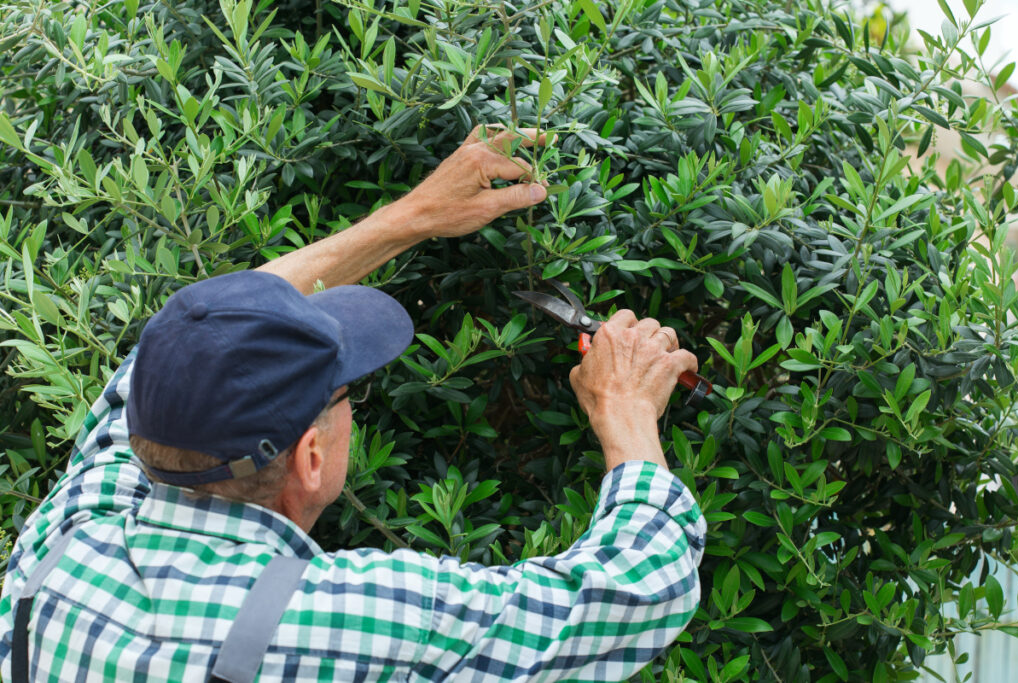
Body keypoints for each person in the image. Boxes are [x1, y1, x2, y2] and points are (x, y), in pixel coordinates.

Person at [0, 127, 706, 682]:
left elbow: (181, 341)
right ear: (311, 455)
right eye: (348, 391)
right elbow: (632, 590)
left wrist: (411, 218)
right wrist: (626, 409)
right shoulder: (361, 618)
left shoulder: (63, 546)